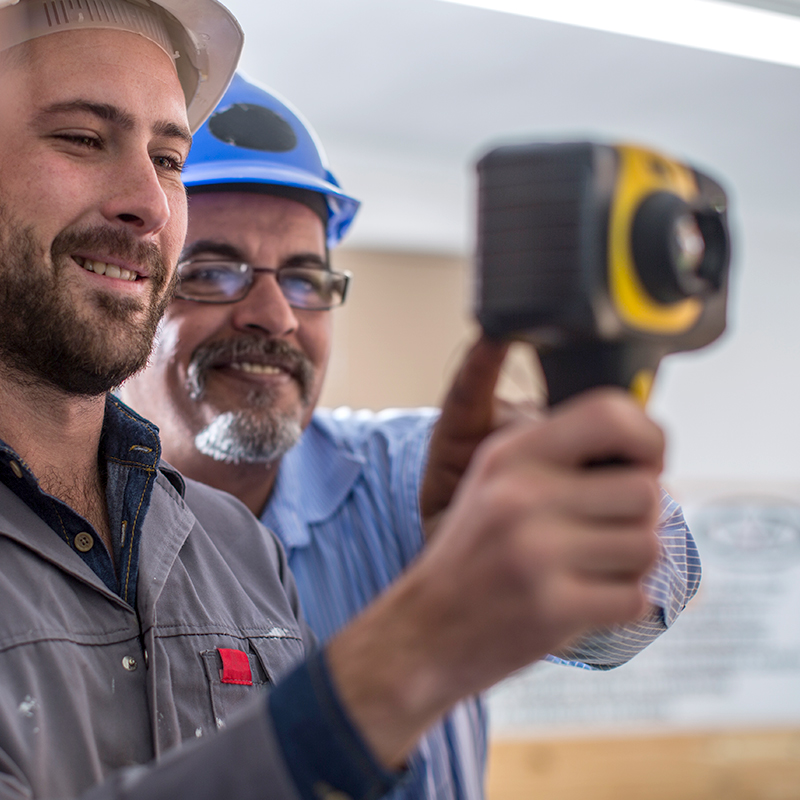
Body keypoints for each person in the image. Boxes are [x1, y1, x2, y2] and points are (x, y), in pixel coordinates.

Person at [0, 0, 669, 784]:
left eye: (170, 160)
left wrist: (572, 528)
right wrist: (411, 654)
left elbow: (648, 592)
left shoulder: (239, 547)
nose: (148, 203)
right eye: (82, 138)